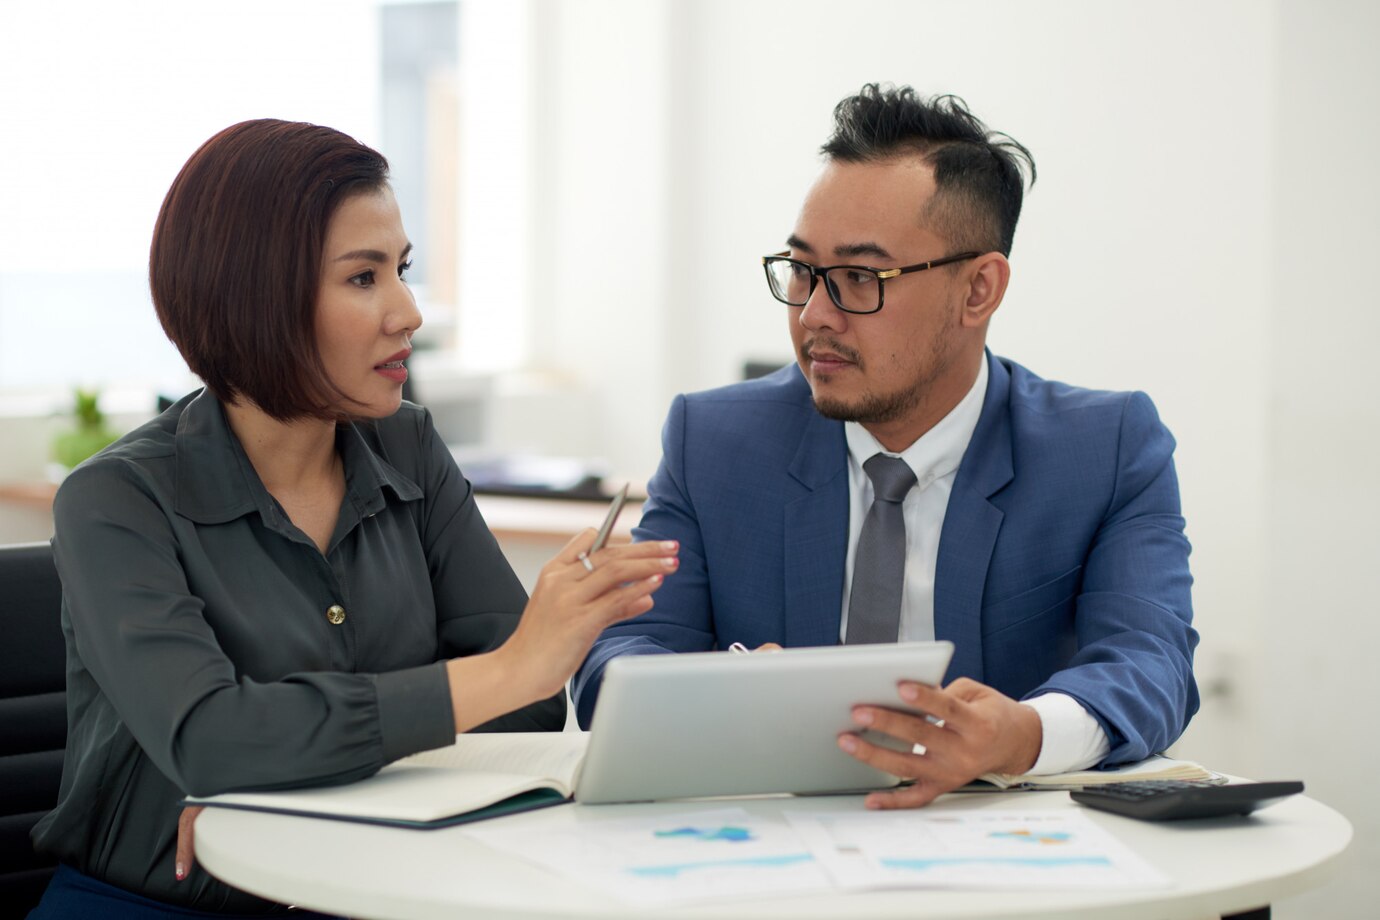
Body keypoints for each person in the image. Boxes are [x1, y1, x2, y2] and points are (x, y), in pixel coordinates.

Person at [28, 119, 679, 916]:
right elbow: (215, 741)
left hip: (375, 886)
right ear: (256, 296)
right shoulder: (114, 502)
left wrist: (291, 778)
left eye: (402, 271)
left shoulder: (408, 446)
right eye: (364, 278)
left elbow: (529, 706)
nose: (408, 312)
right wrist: (501, 672)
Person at [572, 84, 1198, 808]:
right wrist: (721, 696)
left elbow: (1151, 665)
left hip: (1007, 856)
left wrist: (1021, 733)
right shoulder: (715, 441)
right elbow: (614, 658)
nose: (813, 316)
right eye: (803, 271)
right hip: (771, 852)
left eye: (860, 279)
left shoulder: (1104, 449)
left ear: (978, 291)